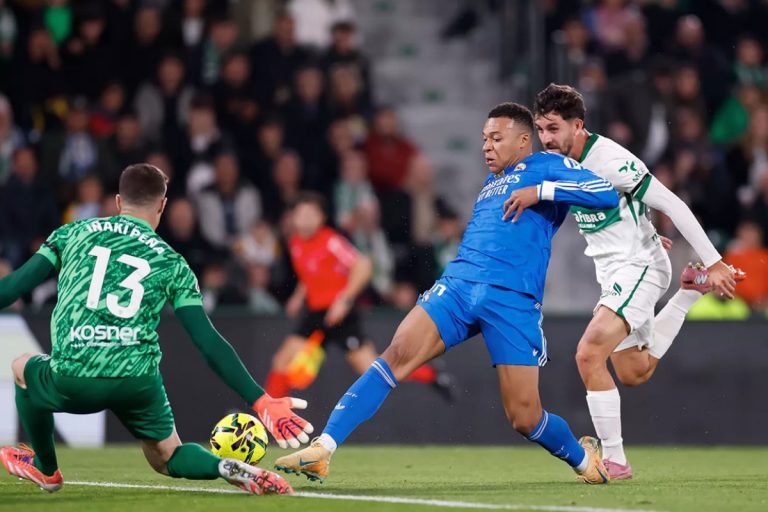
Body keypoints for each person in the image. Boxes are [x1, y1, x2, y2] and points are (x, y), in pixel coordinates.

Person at [274, 103, 619, 484]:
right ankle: (323, 448)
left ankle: (584, 461)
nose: (486, 146)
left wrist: (541, 191)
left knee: (524, 417)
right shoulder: (492, 182)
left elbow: (604, 193)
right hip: (458, 285)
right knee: (396, 353)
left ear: (525, 140)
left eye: (496, 138)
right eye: (484, 139)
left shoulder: (547, 165)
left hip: (511, 299)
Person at [0, 164, 313, 496]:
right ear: (162, 205)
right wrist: (260, 399)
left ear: (119, 201)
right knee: (168, 457)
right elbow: (208, 342)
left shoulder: (71, 233)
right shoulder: (172, 262)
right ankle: (225, 466)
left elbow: (14, 288)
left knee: (22, 366)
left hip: (75, 374)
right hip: (137, 381)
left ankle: (47, 470)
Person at [531, 84, 744, 480]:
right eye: (541, 128)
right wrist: (640, 225)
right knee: (633, 372)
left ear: (578, 125)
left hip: (638, 267)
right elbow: (616, 207)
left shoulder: (609, 158)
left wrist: (715, 262)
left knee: (588, 353)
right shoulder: (558, 160)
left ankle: (614, 462)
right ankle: (687, 296)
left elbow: (673, 203)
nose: (546, 138)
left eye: (554, 128)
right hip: (615, 269)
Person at [264, 192, 451, 400]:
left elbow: (363, 265)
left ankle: (430, 373)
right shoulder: (295, 243)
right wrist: (299, 296)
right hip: (316, 314)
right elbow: (312, 272)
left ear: (321, 218)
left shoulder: (331, 241)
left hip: (341, 314)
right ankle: (269, 415)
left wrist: (344, 300)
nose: (306, 219)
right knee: (282, 361)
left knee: (371, 370)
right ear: (294, 217)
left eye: (311, 214)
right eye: (301, 214)